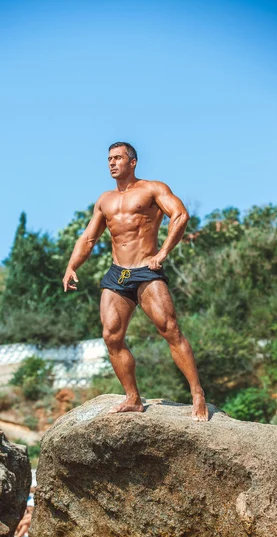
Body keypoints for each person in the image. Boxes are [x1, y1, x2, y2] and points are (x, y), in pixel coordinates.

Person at [62, 142, 208, 421]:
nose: (112, 163)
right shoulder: (104, 200)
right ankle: (133, 398)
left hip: (146, 270)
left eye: (118, 158)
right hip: (118, 273)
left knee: (170, 330)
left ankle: (197, 393)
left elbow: (180, 215)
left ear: (133, 162)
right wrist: (71, 266)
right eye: (109, 159)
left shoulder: (152, 189)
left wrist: (163, 252)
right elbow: (89, 238)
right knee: (111, 335)